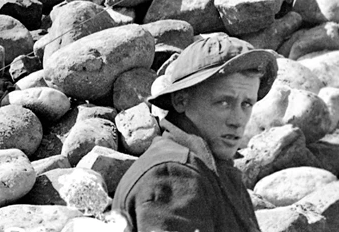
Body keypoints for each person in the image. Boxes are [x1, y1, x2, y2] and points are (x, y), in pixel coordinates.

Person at [112, 34, 277, 232]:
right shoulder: (173, 175)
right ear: (181, 100)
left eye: (247, 104)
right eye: (224, 102)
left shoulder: (212, 169)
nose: (238, 119)